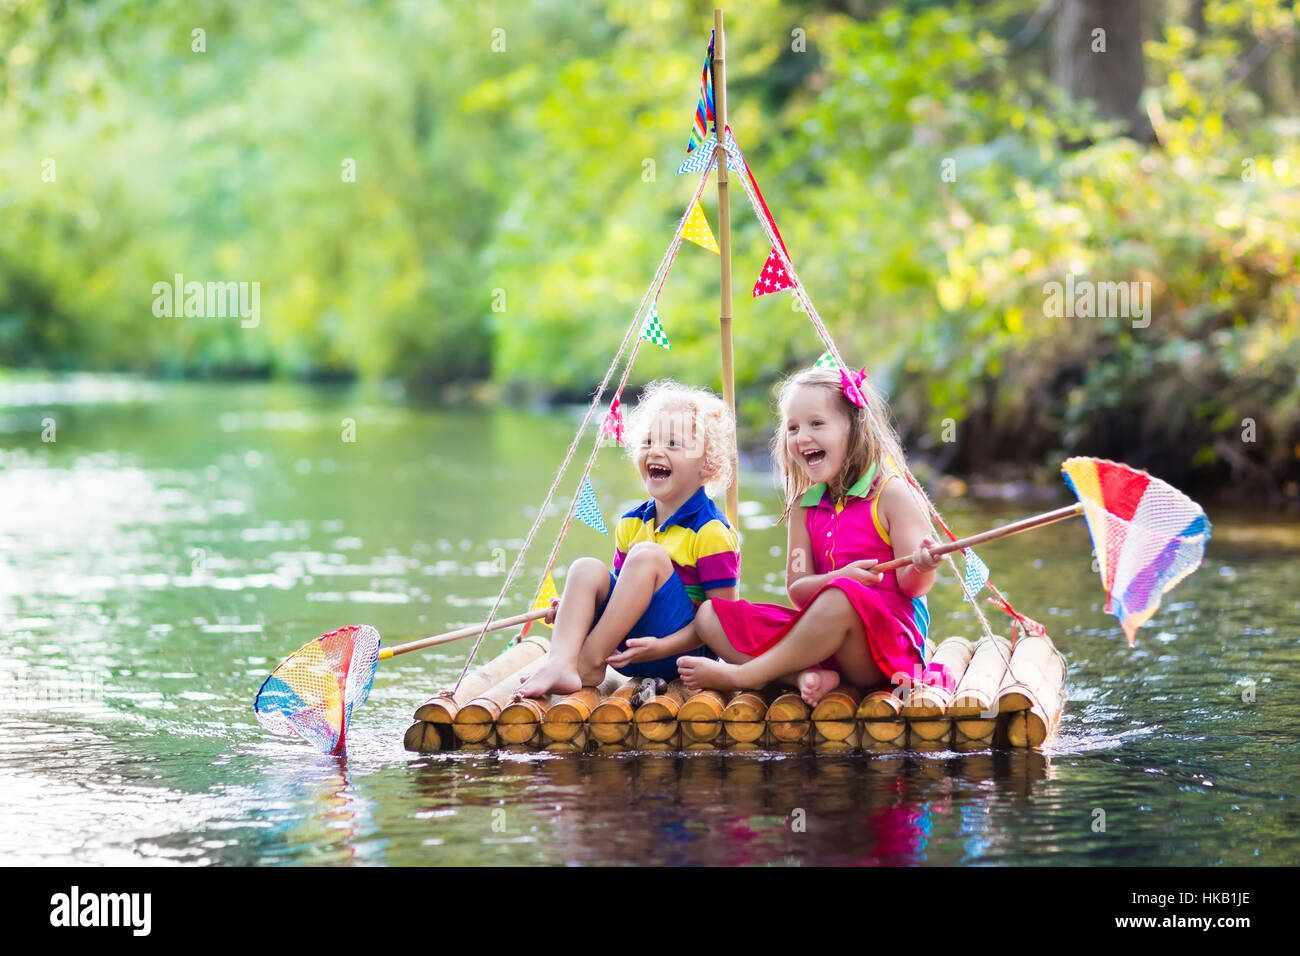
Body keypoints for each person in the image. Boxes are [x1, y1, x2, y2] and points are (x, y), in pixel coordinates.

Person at [678, 364, 940, 705]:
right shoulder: (805, 506)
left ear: (856, 429)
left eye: (816, 424)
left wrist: (923, 565)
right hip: (821, 639)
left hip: (883, 651)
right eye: (792, 427)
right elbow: (799, 590)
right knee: (711, 615)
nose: (802, 437)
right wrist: (838, 577)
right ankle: (802, 675)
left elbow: (912, 586)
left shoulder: (891, 495)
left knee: (841, 595)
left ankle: (749, 675)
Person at [518, 380, 740, 697]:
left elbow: (722, 622)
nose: (656, 450)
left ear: (709, 466)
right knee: (585, 569)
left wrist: (662, 646)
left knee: (646, 557)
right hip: (627, 652)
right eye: (648, 441)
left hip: (682, 657)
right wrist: (579, 610)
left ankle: (585, 662)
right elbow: (621, 601)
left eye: (673, 444)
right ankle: (561, 660)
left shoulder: (712, 532)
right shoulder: (631, 523)